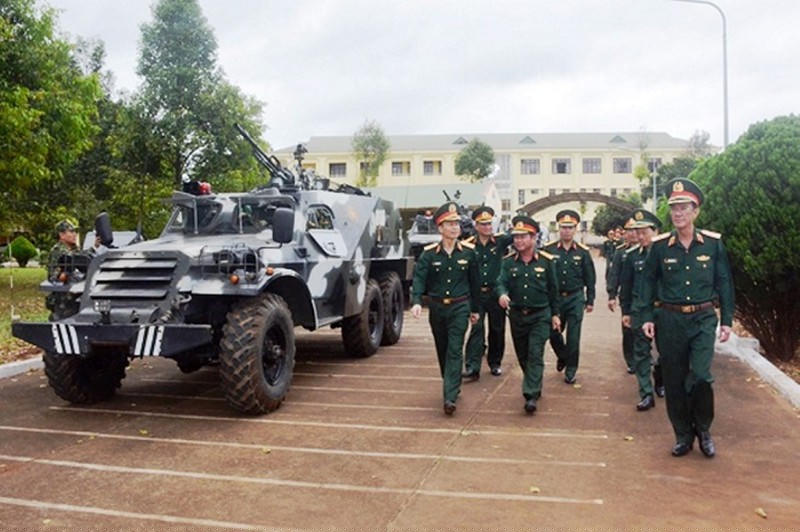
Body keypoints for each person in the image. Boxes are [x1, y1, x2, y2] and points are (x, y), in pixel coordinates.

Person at [638, 178, 734, 458]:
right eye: (674, 208)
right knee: (674, 379)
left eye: (684, 208)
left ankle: (703, 429)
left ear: (696, 211)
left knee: (701, 376)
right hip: (670, 320)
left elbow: (724, 281)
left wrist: (727, 320)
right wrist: (647, 316)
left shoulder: (713, 244)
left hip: (703, 317)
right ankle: (682, 434)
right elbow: (648, 282)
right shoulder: (660, 246)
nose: (678, 213)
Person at [411, 202, 480, 416]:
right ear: (440, 228)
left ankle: (449, 397)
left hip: (460, 306)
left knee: (455, 349)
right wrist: (416, 301)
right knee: (442, 348)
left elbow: (475, 283)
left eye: (456, 223)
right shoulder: (429, 254)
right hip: (437, 307)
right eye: (449, 224)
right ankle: (451, 381)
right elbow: (420, 279)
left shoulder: (469, 253)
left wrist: (475, 310)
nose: (454, 228)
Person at [497, 216, 560, 413]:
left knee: (535, 353)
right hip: (517, 316)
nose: (518, 241)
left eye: (523, 237)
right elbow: (501, 282)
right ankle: (534, 383)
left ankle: (530, 394)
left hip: (540, 315)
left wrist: (555, 314)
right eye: (516, 237)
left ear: (534, 238)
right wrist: (502, 294)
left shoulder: (547, 262)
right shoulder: (508, 262)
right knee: (523, 354)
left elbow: (554, 290)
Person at [543, 210, 596, 384]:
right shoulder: (548, 250)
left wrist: (590, 300)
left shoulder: (583, 252)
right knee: (553, 333)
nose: (566, 231)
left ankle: (571, 370)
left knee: (573, 337)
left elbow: (590, 277)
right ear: (558, 228)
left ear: (576, 229)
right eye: (563, 227)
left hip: (575, 298)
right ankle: (563, 355)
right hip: (555, 299)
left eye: (570, 227)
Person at [462, 206, 512, 380]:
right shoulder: (468, 245)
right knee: (477, 328)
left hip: (495, 293)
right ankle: (472, 366)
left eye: (489, 223)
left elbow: (519, 234)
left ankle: (495, 362)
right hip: (476, 294)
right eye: (483, 224)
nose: (487, 227)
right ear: (476, 226)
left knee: (497, 329)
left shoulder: (500, 241)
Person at [619, 209, 662, 411]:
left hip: (664, 309)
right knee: (641, 352)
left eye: (644, 232)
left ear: (656, 231)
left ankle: (660, 377)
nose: (640, 236)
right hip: (639, 309)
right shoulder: (631, 256)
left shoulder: (667, 253)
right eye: (638, 232)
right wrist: (626, 312)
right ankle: (646, 393)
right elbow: (626, 286)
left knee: (666, 352)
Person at [46, 219, 99, 320]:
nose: (75, 234)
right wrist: (66, 272)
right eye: (71, 232)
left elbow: (82, 257)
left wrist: (95, 246)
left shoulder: (72, 249)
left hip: (77, 294)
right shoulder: (58, 251)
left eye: (75, 232)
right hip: (63, 298)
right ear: (62, 235)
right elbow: (54, 277)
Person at [607, 218, 639, 373]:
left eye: (635, 230)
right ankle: (631, 359)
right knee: (628, 329)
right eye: (629, 230)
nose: (632, 233)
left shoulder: (649, 249)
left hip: (646, 296)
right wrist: (612, 295)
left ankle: (643, 355)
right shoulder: (621, 252)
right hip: (628, 296)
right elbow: (614, 274)